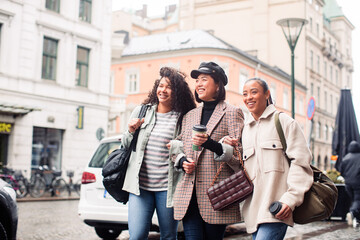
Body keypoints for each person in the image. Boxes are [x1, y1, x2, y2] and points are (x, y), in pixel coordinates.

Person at [224, 77, 313, 239]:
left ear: (267, 94)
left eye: (254, 92)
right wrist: (228, 149)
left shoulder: (285, 122)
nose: (248, 97)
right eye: (245, 94)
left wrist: (290, 199)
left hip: (276, 209)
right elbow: (241, 169)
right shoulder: (245, 130)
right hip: (253, 213)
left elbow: (301, 163)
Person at [168, 62, 244, 240]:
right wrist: (181, 161)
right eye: (197, 80)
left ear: (218, 85)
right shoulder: (189, 116)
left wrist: (211, 144)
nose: (199, 84)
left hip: (217, 196)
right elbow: (175, 147)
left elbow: (239, 159)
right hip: (189, 196)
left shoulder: (233, 113)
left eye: (204, 79)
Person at [121, 67, 196, 240]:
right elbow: (125, 146)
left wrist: (177, 146)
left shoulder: (183, 118)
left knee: (169, 236)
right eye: (161, 85)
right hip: (140, 187)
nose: (163, 90)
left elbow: (188, 148)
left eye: (168, 87)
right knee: (137, 235)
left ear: (177, 92)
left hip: (168, 188)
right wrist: (131, 131)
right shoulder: (142, 112)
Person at [340, 140, 360, 228]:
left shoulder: (345, 158)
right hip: (358, 182)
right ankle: (352, 213)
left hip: (348, 183)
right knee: (357, 200)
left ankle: (356, 217)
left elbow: (341, 171)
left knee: (354, 200)